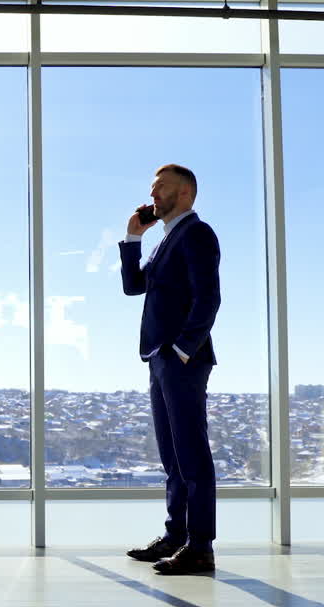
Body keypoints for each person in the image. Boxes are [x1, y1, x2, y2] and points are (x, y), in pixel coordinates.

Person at [119, 164, 222, 575]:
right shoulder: (166, 240)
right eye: (153, 188)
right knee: (173, 456)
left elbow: (209, 298)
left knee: (191, 454)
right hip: (161, 358)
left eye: (160, 187)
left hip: (182, 359)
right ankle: (176, 535)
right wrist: (133, 238)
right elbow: (134, 286)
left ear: (185, 194)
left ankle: (200, 547)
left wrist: (182, 349)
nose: (153, 195)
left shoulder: (197, 233)